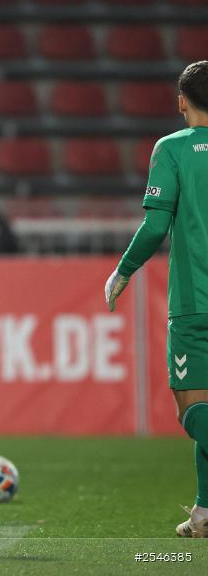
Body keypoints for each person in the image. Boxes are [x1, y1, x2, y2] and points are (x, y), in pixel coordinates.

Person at [106, 60, 208, 537]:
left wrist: (123, 270)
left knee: (192, 410)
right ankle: (205, 510)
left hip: (195, 302)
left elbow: (154, 226)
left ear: (182, 101)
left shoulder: (172, 148)